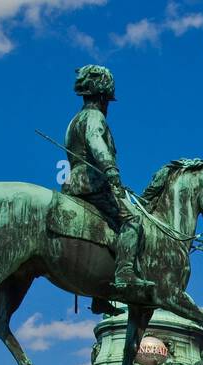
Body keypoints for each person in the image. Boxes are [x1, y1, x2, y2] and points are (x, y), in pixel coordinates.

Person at [62, 64, 153, 305]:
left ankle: (99, 295)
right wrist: (110, 169)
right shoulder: (94, 117)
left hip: (73, 183)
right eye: (108, 101)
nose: (107, 105)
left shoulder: (74, 120)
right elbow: (95, 142)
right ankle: (125, 273)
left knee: (106, 230)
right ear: (103, 96)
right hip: (91, 184)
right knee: (132, 221)